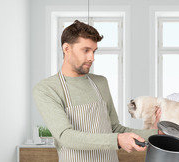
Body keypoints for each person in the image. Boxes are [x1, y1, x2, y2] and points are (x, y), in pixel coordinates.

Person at [33, 20, 159, 162]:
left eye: (94, 51)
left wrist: (157, 134)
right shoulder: (47, 89)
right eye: (86, 50)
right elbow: (65, 136)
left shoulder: (100, 82)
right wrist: (117, 140)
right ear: (66, 48)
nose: (92, 58)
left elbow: (114, 128)